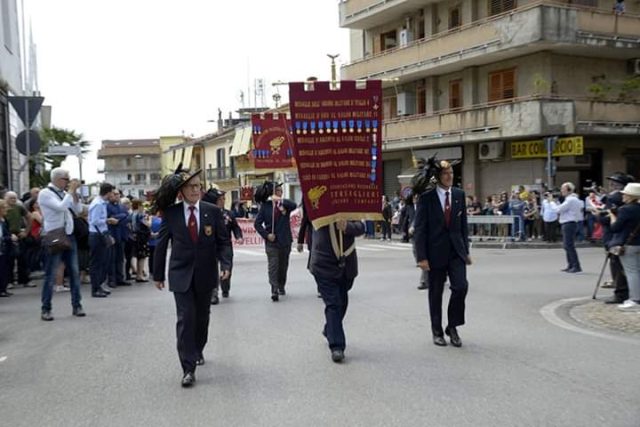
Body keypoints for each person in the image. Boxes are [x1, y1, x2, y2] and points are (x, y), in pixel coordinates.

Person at [152, 165, 231, 387]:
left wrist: (226, 264)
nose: (196, 190)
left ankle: (197, 348)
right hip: (181, 275)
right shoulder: (172, 214)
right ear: (182, 192)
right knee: (186, 319)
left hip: (206, 275)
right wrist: (157, 274)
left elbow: (223, 242)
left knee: (202, 319)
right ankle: (188, 368)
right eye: (191, 187)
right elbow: (161, 244)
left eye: (198, 186)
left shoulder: (212, 211)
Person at [414, 159, 471, 347]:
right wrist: (421, 257)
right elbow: (420, 229)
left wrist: (466, 251)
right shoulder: (427, 198)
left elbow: (463, 226)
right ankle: (437, 331)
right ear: (438, 176)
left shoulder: (458, 195)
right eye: (446, 174)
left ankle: (453, 326)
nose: (450, 177)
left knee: (461, 287)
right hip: (434, 253)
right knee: (436, 293)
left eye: (452, 173)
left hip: (456, 252)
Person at [310, 219, 365, 362]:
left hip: (346, 265)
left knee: (343, 303)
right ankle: (337, 346)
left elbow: (361, 227)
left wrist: (347, 226)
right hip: (323, 264)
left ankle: (330, 328)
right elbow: (311, 220)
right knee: (333, 303)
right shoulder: (318, 207)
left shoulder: (348, 207)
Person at [37, 168, 86, 320]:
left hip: (69, 235)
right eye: (66, 179)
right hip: (55, 236)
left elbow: (78, 210)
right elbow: (60, 207)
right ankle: (46, 308)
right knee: (50, 274)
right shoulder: (45, 193)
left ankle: (77, 305)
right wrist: (71, 191)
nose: (68, 182)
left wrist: (75, 194)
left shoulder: (66, 194)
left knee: (74, 272)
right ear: (58, 179)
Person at [595, 173, 635, 304]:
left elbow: (607, 218)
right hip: (621, 236)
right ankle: (625, 292)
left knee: (617, 266)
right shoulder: (619, 198)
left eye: (614, 183)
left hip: (615, 236)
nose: (611, 185)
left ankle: (621, 293)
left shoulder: (614, 198)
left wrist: (598, 216)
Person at [254, 181, 296, 301]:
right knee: (273, 266)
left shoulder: (285, 205)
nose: (280, 193)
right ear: (272, 193)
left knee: (283, 266)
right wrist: (267, 235)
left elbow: (294, 205)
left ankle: (281, 284)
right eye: (278, 191)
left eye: (281, 191)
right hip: (272, 242)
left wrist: (280, 200)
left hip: (285, 241)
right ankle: (274, 289)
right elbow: (257, 224)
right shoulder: (266, 206)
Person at [202, 188, 243, 304]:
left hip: (225, 244)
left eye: (224, 199)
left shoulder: (228, 214)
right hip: (211, 245)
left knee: (227, 267)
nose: (223, 201)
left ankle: (225, 287)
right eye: (220, 199)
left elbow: (235, 227)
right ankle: (214, 292)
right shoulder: (206, 214)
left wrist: (238, 236)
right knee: (212, 269)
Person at [608, 183, 640, 311]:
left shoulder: (626, 209)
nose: (623, 196)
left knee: (632, 272)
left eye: (625, 194)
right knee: (637, 271)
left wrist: (612, 215)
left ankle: (635, 299)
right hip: (638, 242)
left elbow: (615, 228)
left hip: (628, 244)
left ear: (630, 196)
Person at [88, 183, 119, 297]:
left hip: (100, 233)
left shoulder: (101, 203)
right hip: (96, 235)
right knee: (97, 263)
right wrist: (108, 220)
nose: (113, 195)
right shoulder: (98, 204)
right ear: (108, 192)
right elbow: (95, 221)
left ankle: (99, 286)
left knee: (102, 261)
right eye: (112, 192)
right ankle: (95, 288)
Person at [4, 191, 34, 288]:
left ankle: (25, 280)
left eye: (14, 198)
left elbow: (29, 217)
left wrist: (26, 231)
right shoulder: (3, 207)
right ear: (5, 198)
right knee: (8, 260)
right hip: (7, 235)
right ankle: (9, 281)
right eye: (10, 198)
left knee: (22, 258)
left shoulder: (19, 206)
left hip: (18, 234)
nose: (13, 200)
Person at [551, 182, 583, 273]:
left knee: (568, 245)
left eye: (563, 189)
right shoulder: (573, 199)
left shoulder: (570, 200)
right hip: (570, 223)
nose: (561, 191)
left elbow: (558, 210)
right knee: (567, 245)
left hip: (569, 223)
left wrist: (552, 202)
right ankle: (571, 264)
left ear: (569, 190)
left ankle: (576, 265)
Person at [107, 191, 130, 288]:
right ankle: (112, 279)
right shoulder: (107, 206)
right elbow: (108, 219)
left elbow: (128, 217)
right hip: (112, 235)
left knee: (120, 258)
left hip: (122, 235)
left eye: (117, 194)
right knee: (111, 258)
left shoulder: (122, 206)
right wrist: (121, 217)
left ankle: (120, 278)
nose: (116, 196)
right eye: (114, 194)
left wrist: (117, 218)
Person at [131, 199, 151, 283]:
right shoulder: (140, 215)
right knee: (142, 257)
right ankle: (140, 275)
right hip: (142, 237)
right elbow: (148, 224)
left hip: (135, 236)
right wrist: (149, 219)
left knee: (138, 256)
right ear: (139, 206)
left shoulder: (132, 214)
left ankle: (138, 274)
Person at [0, 199, 16, 297]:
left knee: (5, 268)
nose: (6, 209)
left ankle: (3, 288)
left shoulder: (3, 220)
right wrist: (10, 237)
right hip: (2, 247)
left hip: (4, 248)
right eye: (4, 207)